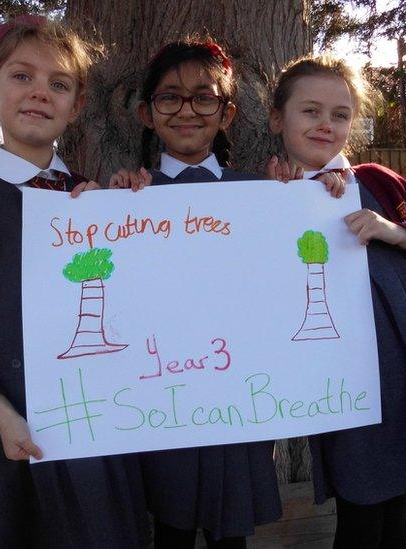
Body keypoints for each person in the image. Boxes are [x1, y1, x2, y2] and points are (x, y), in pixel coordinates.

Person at [0, 15, 149, 548]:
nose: (41, 93)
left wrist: (136, 211)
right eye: (22, 76)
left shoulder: (94, 203)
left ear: (77, 104)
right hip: (3, 432)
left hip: (94, 430)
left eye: (58, 84)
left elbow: (139, 303)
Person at [112, 39, 283, 549]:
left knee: (230, 532)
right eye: (170, 98)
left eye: (203, 98)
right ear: (147, 113)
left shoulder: (262, 195)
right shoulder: (122, 204)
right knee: (170, 525)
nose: (187, 110)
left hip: (237, 396)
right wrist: (104, 209)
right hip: (159, 396)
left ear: (226, 113)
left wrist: (305, 197)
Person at [269, 53, 406, 549]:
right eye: (310, 111)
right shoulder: (265, 196)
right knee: (361, 503)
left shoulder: (381, 183)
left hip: (405, 366)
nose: (326, 124)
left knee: (395, 505)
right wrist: (281, 210)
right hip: (337, 381)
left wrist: (401, 234)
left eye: (339, 114)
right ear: (278, 117)